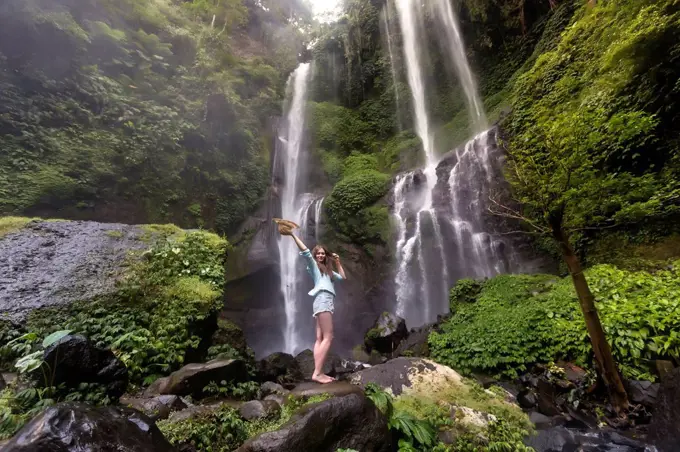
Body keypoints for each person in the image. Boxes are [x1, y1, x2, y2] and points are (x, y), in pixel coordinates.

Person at [286, 231, 346, 384]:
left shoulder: (329, 273)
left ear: (326, 255)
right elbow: (305, 251)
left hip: (322, 302)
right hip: (323, 300)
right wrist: (293, 235)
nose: (320, 255)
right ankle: (318, 373)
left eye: (322, 253)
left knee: (319, 338)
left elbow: (343, 278)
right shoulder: (314, 267)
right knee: (329, 336)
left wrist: (338, 262)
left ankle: (317, 372)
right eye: (318, 253)